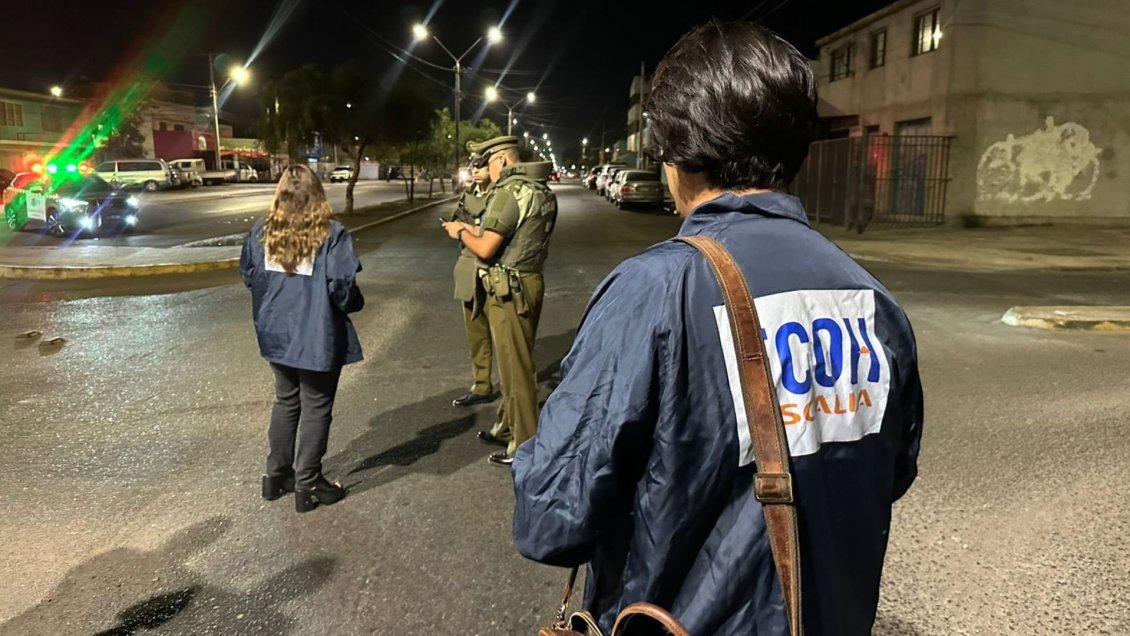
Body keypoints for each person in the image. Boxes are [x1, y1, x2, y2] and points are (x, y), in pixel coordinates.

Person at [511, 20, 923, 635]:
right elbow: (889, 472)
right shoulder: (870, 297)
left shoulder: (656, 291)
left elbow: (551, 517)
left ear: (678, 155)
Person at [240, 164, 365, 513]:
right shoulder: (331, 234)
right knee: (315, 405)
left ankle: (276, 475)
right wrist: (354, 303)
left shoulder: (262, 232)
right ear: (318, 194)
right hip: (315, 334)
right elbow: (341, 287)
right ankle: (308, 482)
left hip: (275, 333)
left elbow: (250, 276)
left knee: (286, 401)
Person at [441, 135, 558, 467]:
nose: (487, 171)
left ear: (503, 160)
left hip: (510, 290)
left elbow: (487, 248)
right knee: (511, 367)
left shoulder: (510, 192)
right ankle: (507, 427)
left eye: (489, 163)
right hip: (528, 281)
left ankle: (524, 446)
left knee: (517, 371)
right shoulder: (540, 189)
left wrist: (461, 232)